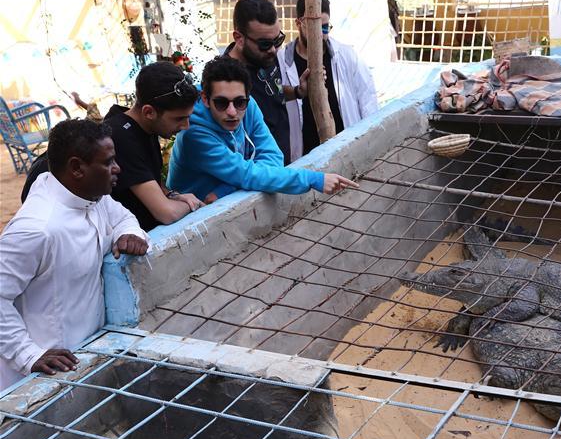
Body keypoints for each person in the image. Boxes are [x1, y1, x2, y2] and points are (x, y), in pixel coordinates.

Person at [0, 119, 150, 391]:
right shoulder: (37, 229)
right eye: (108, 162)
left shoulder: (94, 196)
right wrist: (28, 355)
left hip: (85, 358)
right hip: (39, 377)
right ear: (77, 168)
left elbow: (124, 218)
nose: (118, 169)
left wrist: (130, 233)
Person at [167, 56, 357, 202]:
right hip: (194, 216)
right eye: (221, 103)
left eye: (240, 102)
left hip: (221, 201)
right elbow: (248, 174)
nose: (232, 112)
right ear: (206, 99)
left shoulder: (249, 105)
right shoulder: (194, 132)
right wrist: (313, 179)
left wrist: (229, 187)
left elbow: (274, 157)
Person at [105, 62, 204, 230]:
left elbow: (154, 183)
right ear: (148, 112)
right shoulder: (120, 138)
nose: (186, 126)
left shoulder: (145, 127)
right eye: (179, 118)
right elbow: (166, 213)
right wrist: (192, 204)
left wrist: (173, 195)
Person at [278, 0, 379, 159]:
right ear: (299, 23)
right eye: (314, 27)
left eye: (325, 28)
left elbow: (369, 102)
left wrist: (369, 145)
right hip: (304, 158)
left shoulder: (348, 56)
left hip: (347, 154)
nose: (321, 34)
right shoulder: (282, 62)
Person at [224, 0, 301, 165]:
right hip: (260, 174)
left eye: (278, 40)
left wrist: (297, 91)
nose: (273, 50)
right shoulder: (225, 80)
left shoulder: (265, 57)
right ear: (239, 38)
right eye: (265, 44)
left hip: (285, 164)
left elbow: (274, 91)